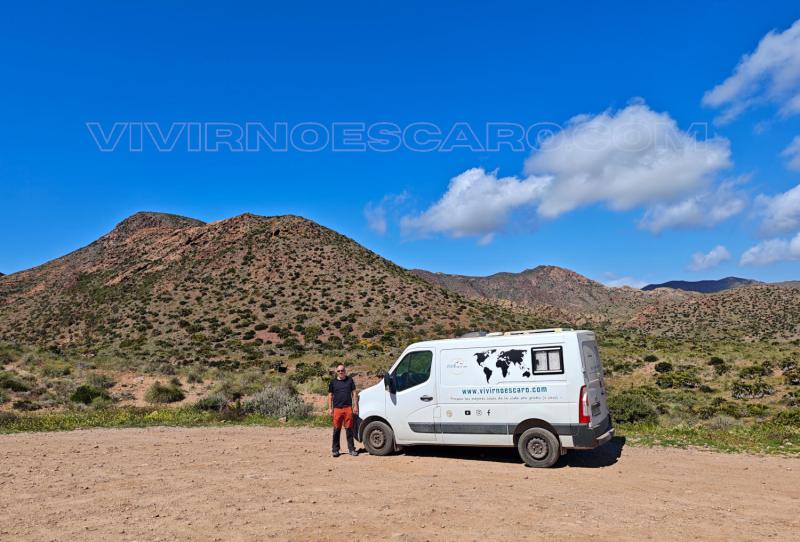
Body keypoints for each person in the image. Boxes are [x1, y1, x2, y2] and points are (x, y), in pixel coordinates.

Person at [328, 363, 358, 457]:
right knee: (336, 430)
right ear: (336, 372)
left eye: (342, 370)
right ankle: (335, 450)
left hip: (348, 408)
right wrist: (330, 408)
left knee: (349, 430)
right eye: (339, 371)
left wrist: (355, 406)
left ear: (345, 371)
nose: (341, 372)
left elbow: (354, 393)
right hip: (337, 409)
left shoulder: (349, 380)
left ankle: (351, 449)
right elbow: (330, 395)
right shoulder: (333, 382)